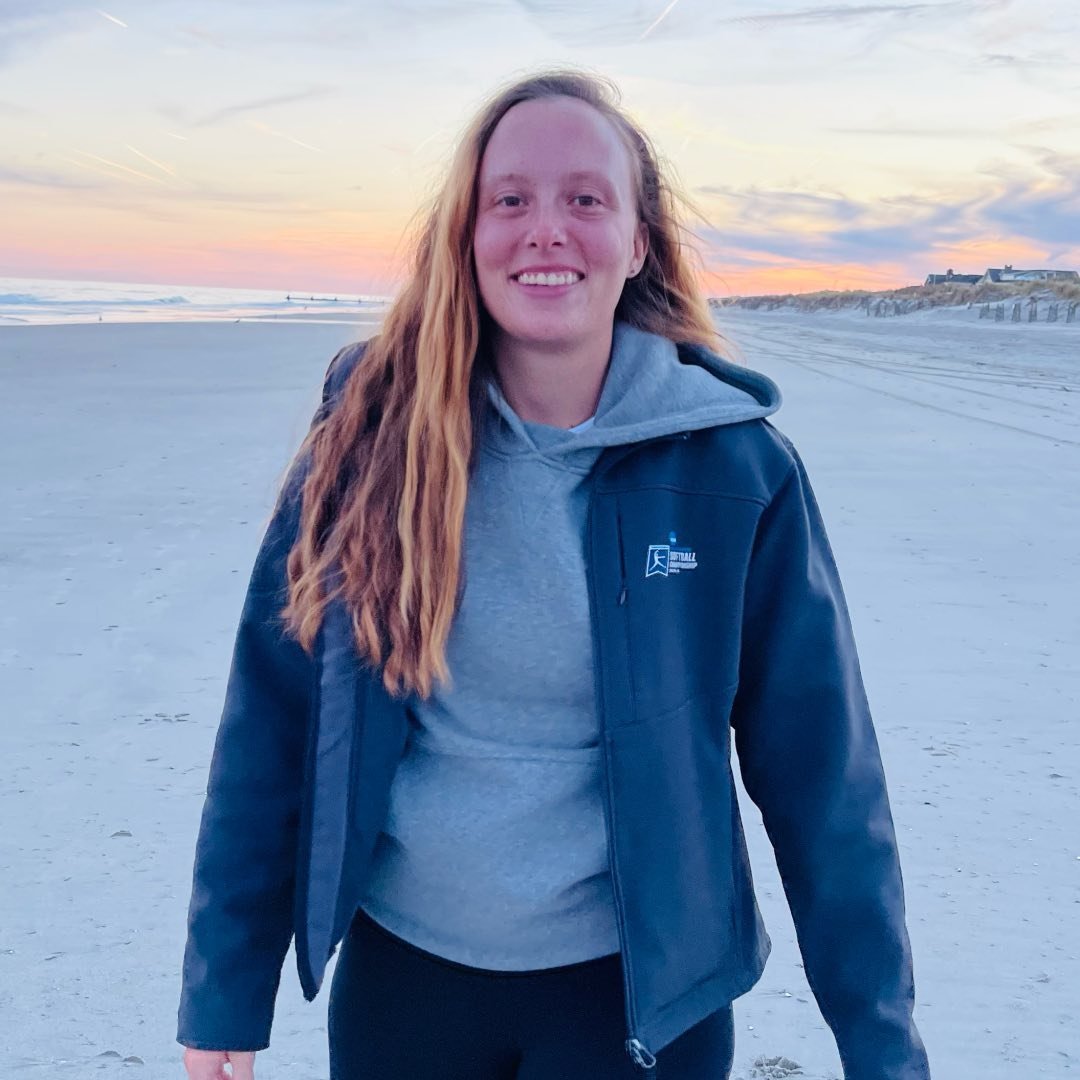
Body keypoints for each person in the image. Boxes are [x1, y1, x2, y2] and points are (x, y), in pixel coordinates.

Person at [177, 68, 931, 1080]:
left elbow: (822, 777)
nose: (546, 230)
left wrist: (880, 1044)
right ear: (467, 234)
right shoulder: (370, 439)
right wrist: (226, 985)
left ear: (637, 240)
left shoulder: (736, 470)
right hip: (407, 983)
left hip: (639, 999)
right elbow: (270, 719)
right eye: (510, 200)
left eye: (586, 198)